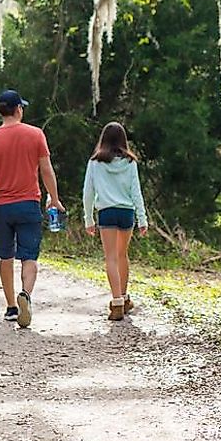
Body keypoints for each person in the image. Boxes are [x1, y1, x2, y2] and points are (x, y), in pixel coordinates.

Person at [0, 89, 62, 329]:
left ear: (0, 111)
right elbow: (46, 170)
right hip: (28, 203)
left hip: (0, 207)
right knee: (29, 256)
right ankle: (26, 295)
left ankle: (11, 306)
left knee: (5, 255)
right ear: (18, 109)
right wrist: (54, 198)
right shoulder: (36, 135)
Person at [80, 121, 149, 321]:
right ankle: (125, 298)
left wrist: (88, 218)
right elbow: (136, 192)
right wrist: (142, 219)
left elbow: (88, 192)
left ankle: (117, 301)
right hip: (126, 212)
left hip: (107, 212)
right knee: (122, 255)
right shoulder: (130, 162)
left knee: (110, 257)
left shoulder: (95, 162)